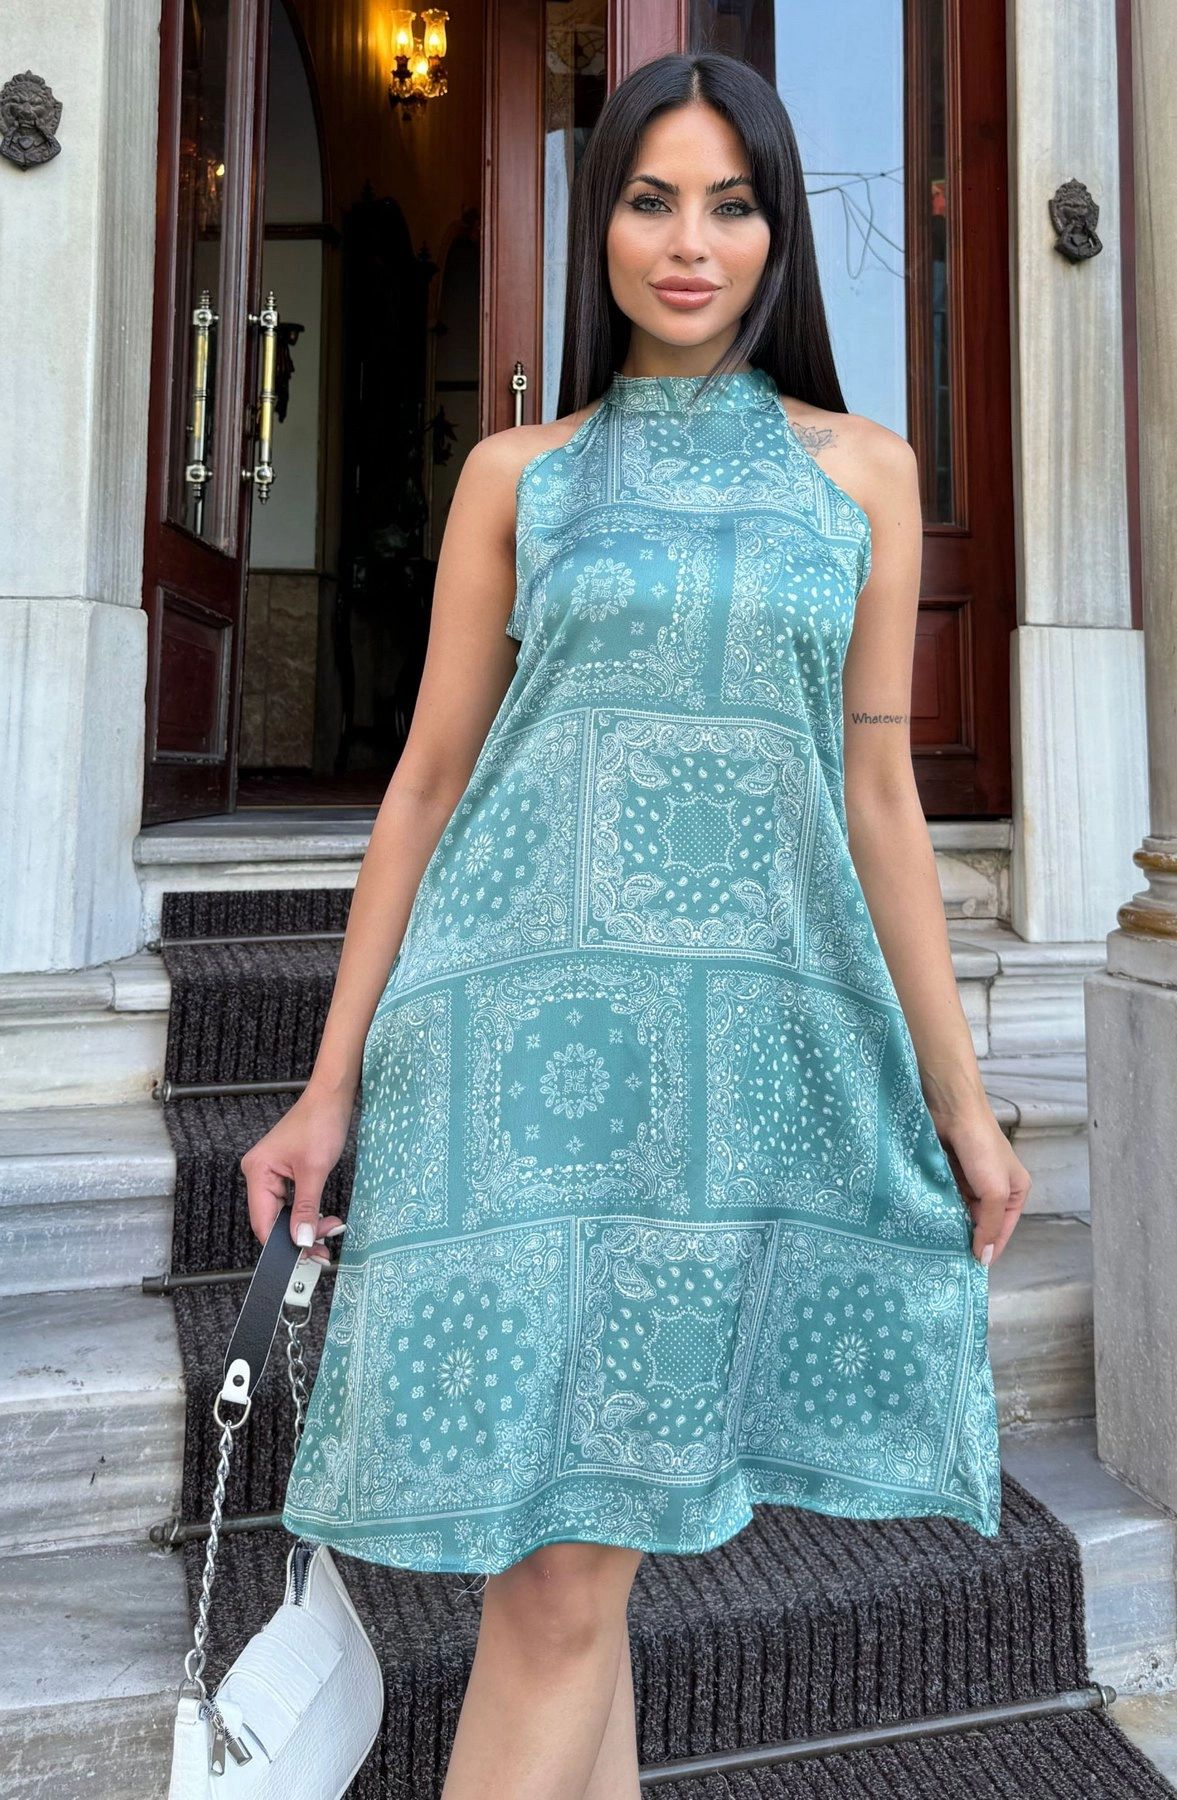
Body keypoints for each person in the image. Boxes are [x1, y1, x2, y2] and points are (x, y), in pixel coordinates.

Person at [241, 50, 1031, 1800]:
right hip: (504, 1058)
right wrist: (328, 1086)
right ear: (597, 221)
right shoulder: (518, 476)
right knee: (555, 1575)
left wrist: (962, 1103)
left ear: (777, 234)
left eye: (730, 206)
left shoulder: (864, 476)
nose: (690, 244)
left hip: (725, 1079)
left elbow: (879, 799)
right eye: (651, 201)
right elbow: (426, 785)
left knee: (575, 1568)